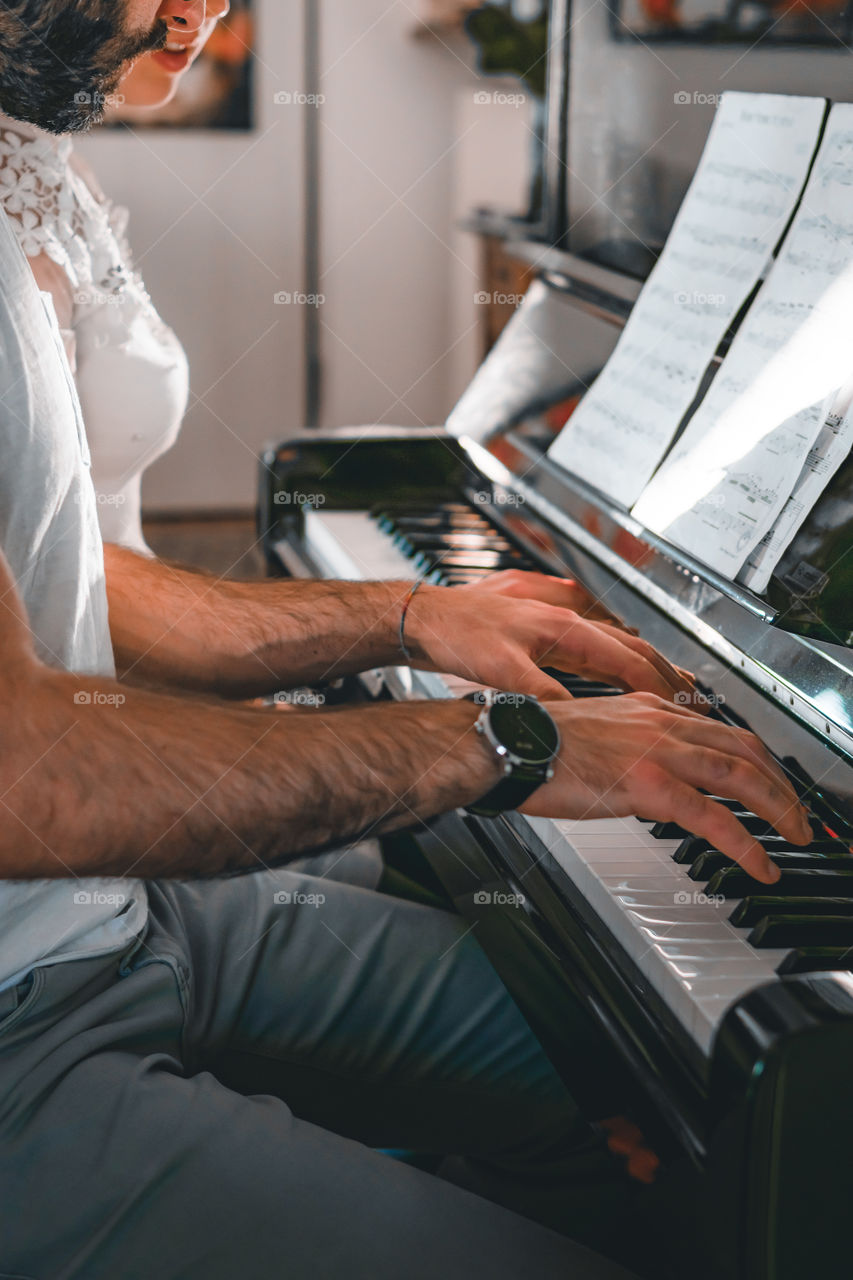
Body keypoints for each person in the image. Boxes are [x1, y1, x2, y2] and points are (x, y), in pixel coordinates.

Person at [0, 4, 808, 1277]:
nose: (197, 13)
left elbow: (69, 571)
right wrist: (504, 741)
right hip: (20, 1028)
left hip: (118, 913)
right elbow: (29, 777)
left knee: (644, 1073)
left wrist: (408, 610)